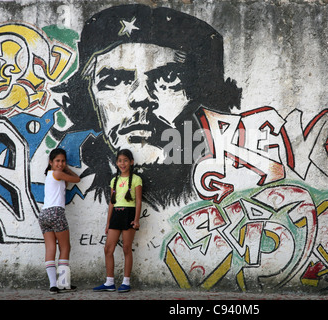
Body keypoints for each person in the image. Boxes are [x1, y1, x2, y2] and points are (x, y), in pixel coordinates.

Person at [52, 4, 242, 209]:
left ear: (200, 96)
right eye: (114, 79)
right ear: (91, 97)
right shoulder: (88, 196)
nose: (141, 98)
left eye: (169, 78)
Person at [93, 149, 142, 293]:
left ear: (131, 162)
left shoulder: (136, 180)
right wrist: (108, 223)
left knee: (127, 248)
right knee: (108, 248)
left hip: (129, 214)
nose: (123, 163)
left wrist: (136, 219)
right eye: (120, 160)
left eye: (126, 160)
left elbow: (138, 201)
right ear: (116, 163)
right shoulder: (114, 181)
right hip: (116, 214)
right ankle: (109, 282)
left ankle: (126, 282)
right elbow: (111, 203)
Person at [39, 148, 81, 294]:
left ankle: (53, 285)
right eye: (57, 161)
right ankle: (63, 283)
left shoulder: (51, 175)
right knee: (65, 247)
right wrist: (67, 168)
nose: (61, 164)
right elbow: (77, 179)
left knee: (51, 248)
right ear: (50, 162)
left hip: (44, 215)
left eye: (63, 161)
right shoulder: (58, 173)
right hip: (56, 213)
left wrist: (63, 168)